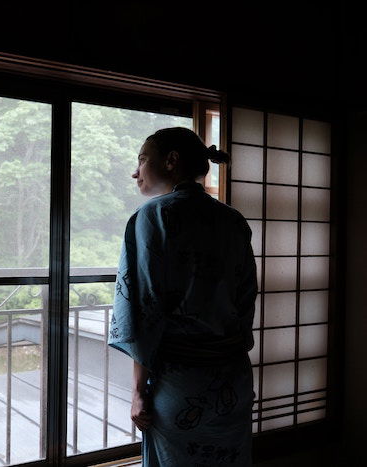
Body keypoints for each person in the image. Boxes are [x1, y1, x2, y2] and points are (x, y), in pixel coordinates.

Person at [108, 127, 257, 466]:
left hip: (181, 385)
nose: (136, 171)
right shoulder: (232, 220)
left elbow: (144, 309)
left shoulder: (153, 216)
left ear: (171, 161)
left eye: (142, 160)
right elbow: (246, 298)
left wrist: (137, 391)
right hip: (232, 381)